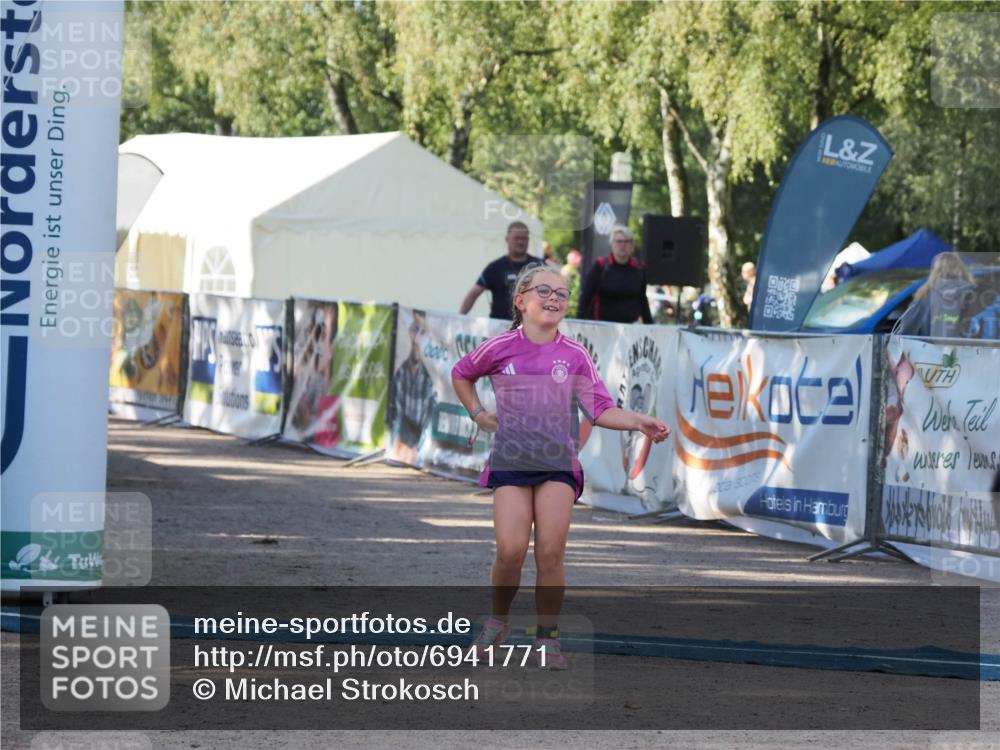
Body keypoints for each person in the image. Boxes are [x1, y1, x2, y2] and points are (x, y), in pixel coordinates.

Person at [451, 265, 670, 669]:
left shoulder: (574, 354)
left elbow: (600, 408)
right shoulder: (499, 347)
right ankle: (498, 621)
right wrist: (479, 413)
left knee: (551, 552)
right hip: (511, 463)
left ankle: (547, 638)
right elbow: (462, 374)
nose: (554, 298)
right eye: (544, 291)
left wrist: (639, 420)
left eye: (562, 293)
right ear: (520, 301)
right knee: (511, 550)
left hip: (557, 465)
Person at [459, 221, 542, 320]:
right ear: (507, 239)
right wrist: (459, 319)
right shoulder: (495, 267)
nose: (520, 242)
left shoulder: (540, 266)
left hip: (532, 328)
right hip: (500, 329)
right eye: (517, 238)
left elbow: (555, 293)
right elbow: (474, 293)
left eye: (524, 238)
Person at [576, 225, 653, 323]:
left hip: (630, 327)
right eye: (619, 241)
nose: (623, 245)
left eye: (627, 241)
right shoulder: (600, 265)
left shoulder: (639, 268)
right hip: (601, 325)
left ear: (632, 245)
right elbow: (585, 298)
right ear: (612, 244)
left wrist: (650, 325)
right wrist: (579, 324)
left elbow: (642, 299)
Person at [389, 311, 436, 465]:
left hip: (417, 449)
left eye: (422, 331)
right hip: (401, 446)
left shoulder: (431, 379)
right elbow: (396, 414)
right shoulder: (401, 373)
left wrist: (419, 450)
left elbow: (429, 421)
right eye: (415, 329)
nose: (417, 337)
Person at [897, 252, 976, 337]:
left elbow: (906, 330)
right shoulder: (975, 294)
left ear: (935, 270)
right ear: (961, 269)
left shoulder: (924, 295)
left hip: (930, 348)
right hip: (969, 349)